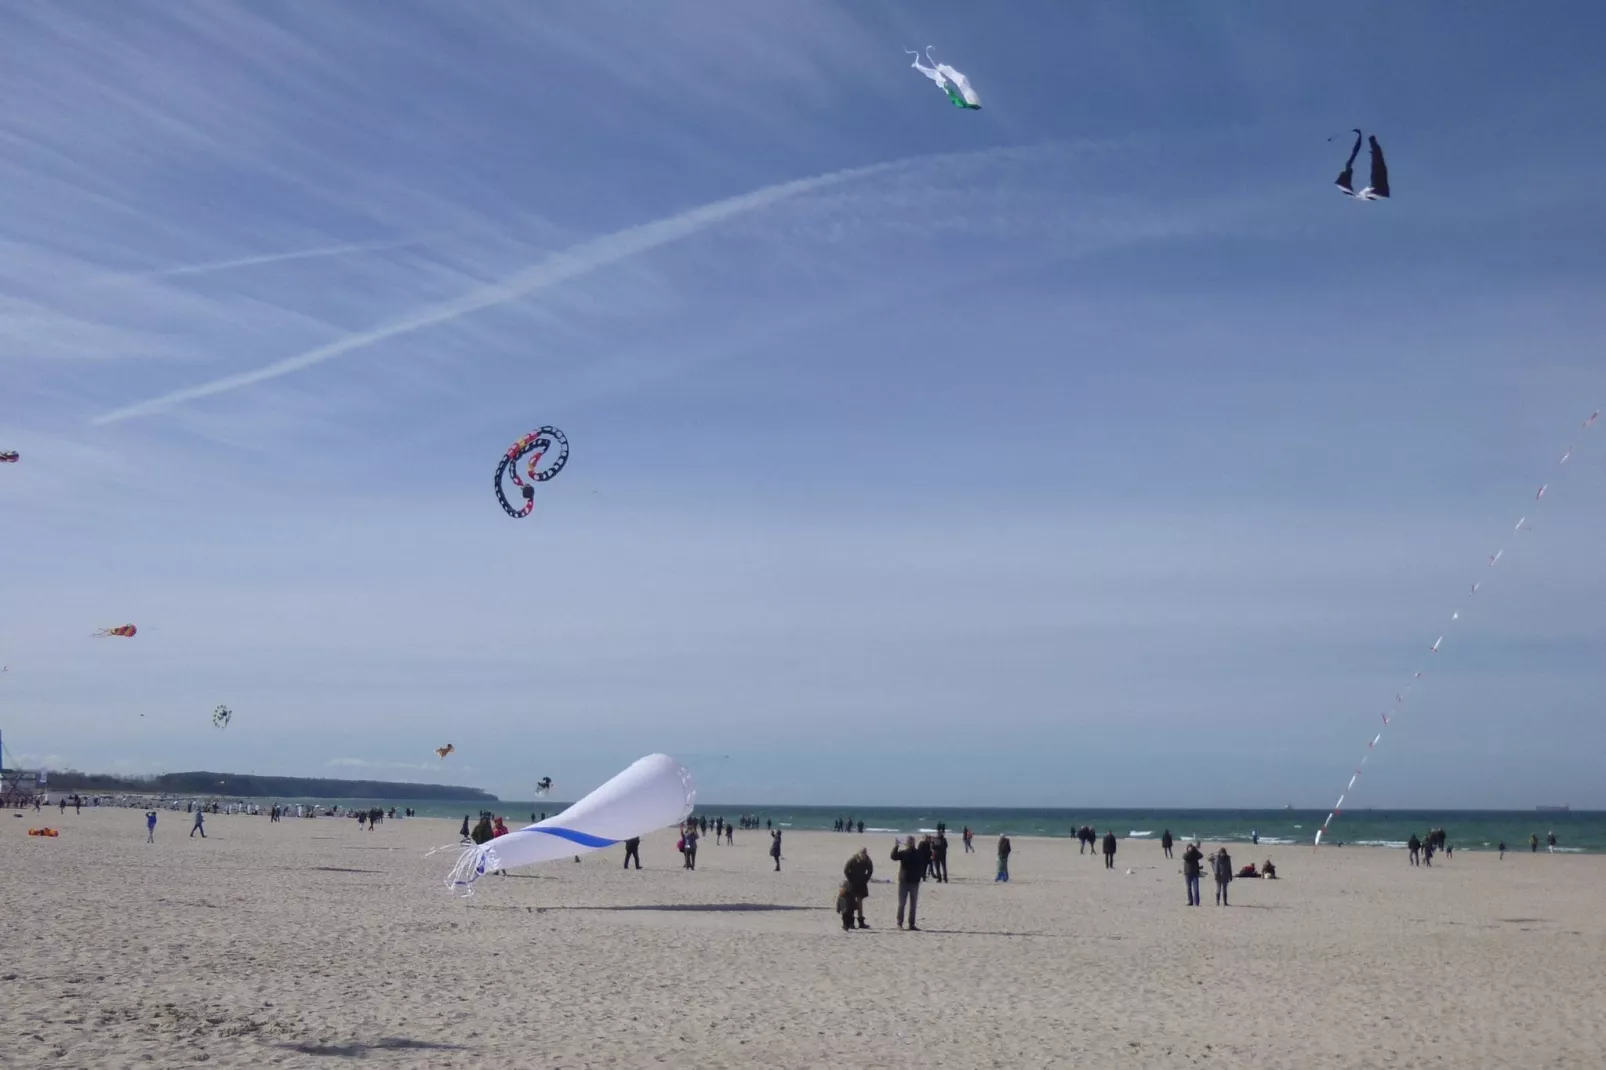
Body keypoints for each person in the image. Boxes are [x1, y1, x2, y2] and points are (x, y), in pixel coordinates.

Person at [892, 836, 924, 930]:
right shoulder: (906, 853)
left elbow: (922, 864)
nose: (908, 843)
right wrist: (896, 846)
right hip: (905, 881)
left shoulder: (916, 853)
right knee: (903, 904)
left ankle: (911, 924)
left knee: (911, 904)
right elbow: (893, 857)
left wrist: (920, 876)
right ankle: (900, 923)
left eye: (909, 842)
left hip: (912, 881)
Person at [844, 848, 873, 930]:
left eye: (865, 853)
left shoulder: (867, 860)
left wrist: (866, 878)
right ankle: (851, 923)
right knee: (852, 903)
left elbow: (870, 870)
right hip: (852, 883)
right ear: (858, 853)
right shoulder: (852, 860)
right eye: (862, 853)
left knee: (860, 902)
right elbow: (846, 870)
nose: (863, 854)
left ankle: (861, 922)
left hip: (862, 883)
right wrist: (850, 879)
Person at [1182, 841, 1203, 906]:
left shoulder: (1195, 854)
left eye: (1191, 847)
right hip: (1187, 873)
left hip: (1195, 873)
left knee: (1196, 888)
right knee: (1189, 888)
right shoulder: (1187, 855)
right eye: (1189, 847)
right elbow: (1184, 857)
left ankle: (1197, 902)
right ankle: (1190, 901)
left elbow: (1201, 855)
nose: (1190, 848)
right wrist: (1189, 851)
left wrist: (1195, 850)